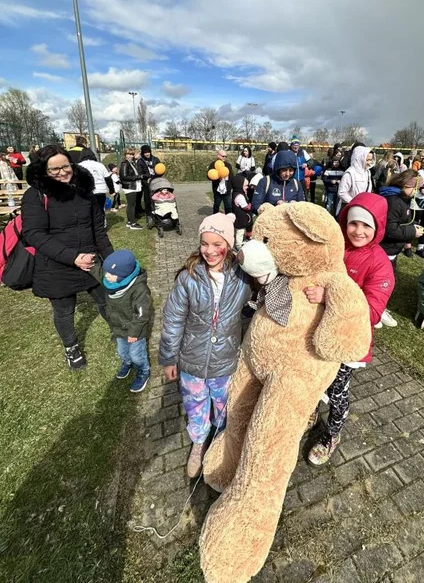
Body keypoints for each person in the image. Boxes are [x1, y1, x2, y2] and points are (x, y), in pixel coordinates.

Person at [159, 213, 252, 477]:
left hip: (225, 361)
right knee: (195, 403)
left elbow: (267, 287)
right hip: (191, 361)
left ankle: (221, 441)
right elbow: (173, 321)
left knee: (223, 404)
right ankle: (199, 443)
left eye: (217, 243)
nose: (210, 251)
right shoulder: (188, 278)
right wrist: (168, 359)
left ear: (229, 244)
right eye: (204, 244)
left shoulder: (242, 277)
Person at [305, 192, 394, 465]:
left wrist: (329, 297)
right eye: (354, 223)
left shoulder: (380, 263)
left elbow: (372, 311)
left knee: (337, 392)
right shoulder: (335, 247)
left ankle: (332, 433)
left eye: (367, 225)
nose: (358, 231)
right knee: (309, 378)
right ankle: (308, 413)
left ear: (377, 227)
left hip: (347, 343)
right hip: (317, 331)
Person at [22, 145, 113, 370]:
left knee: (106, 299)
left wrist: (110, 260)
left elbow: (97, 230)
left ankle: (118, 329)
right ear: (43, 171)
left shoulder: (84, 190)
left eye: (66, 166)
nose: (63, 172)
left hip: (91, 260)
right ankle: (71, 347)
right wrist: (72, 257)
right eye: (55, 169)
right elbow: (34, 234)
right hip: (56, 264)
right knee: (64, 311)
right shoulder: (35, 195)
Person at [91, 249, 151, 393]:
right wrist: (91, 263)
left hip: (134, 330)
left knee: (137, 354)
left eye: (111, 274)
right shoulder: (111, 280)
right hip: (118, 326)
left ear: (124, 275)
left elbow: (142, 315)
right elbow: (99, 273)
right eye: (107, 272)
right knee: (122, 351)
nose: (107, 276)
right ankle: (126, 362)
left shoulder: (139, 289)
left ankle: (143, 370)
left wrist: (134, 332)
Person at [379, 171, 424, 325]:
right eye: (414, 188)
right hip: (385, 249)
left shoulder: (402, 199)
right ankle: (376, 312)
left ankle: (378, 308)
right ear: (405, 185)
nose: (416, 192)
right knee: (382, 283)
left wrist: (412, 228)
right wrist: (412, 232)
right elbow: (390, 229)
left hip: (392, 250)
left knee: (388, 281)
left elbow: (400, 222)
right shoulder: (393, 201)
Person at [337, 145, 374, 215]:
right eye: (367, 160)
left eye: (370, 160)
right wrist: (355, 202)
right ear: (359, 158)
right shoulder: (350, 173)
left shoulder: (367, 172)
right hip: (349, 207)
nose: (369, 163)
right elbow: (341, 192)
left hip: (362, 207)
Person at [78, 148, 115, 213]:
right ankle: (102, 222)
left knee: (88, 211)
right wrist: (111, 190)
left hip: (85, 191)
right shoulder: (100, 165)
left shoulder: (79, 165)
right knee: (100, 209)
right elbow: (108, 179)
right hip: (100, 190)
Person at [119, 149, 143, 230]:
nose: (130, 156)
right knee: (131, 205)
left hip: (132, 186)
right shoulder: (124, 163)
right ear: (125, 155)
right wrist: (138, 177)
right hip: (129, 187)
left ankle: (130, 222)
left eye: (132, 154)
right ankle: (133, 223)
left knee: (131, 205)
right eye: (128, 154)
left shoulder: (131, 163)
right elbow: (124, 176)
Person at [136, 145, 161, 220]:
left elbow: (160, 168)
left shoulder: (155, 159)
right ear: (142, 153)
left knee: (157, 197)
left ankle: (158, 212)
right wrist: (149, 176)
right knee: (148, 199)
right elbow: (140, 173)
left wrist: (156, 175)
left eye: (148, 152)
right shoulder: (140, 161)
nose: (147, 154)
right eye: (145, 153)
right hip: (146, 182)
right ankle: (149, 214)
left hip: (156, 181)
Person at [231, 174, 252, 249]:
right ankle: (238, 246)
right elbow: (245, 207)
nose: (247, 187)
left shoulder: (235, 193)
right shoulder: (240, 196)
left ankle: (238, 242)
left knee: (238, 232)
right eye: (246, 186)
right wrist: (250, 205)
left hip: (238, 218)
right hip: (240, 219)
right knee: (240, 232)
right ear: (239, 186)